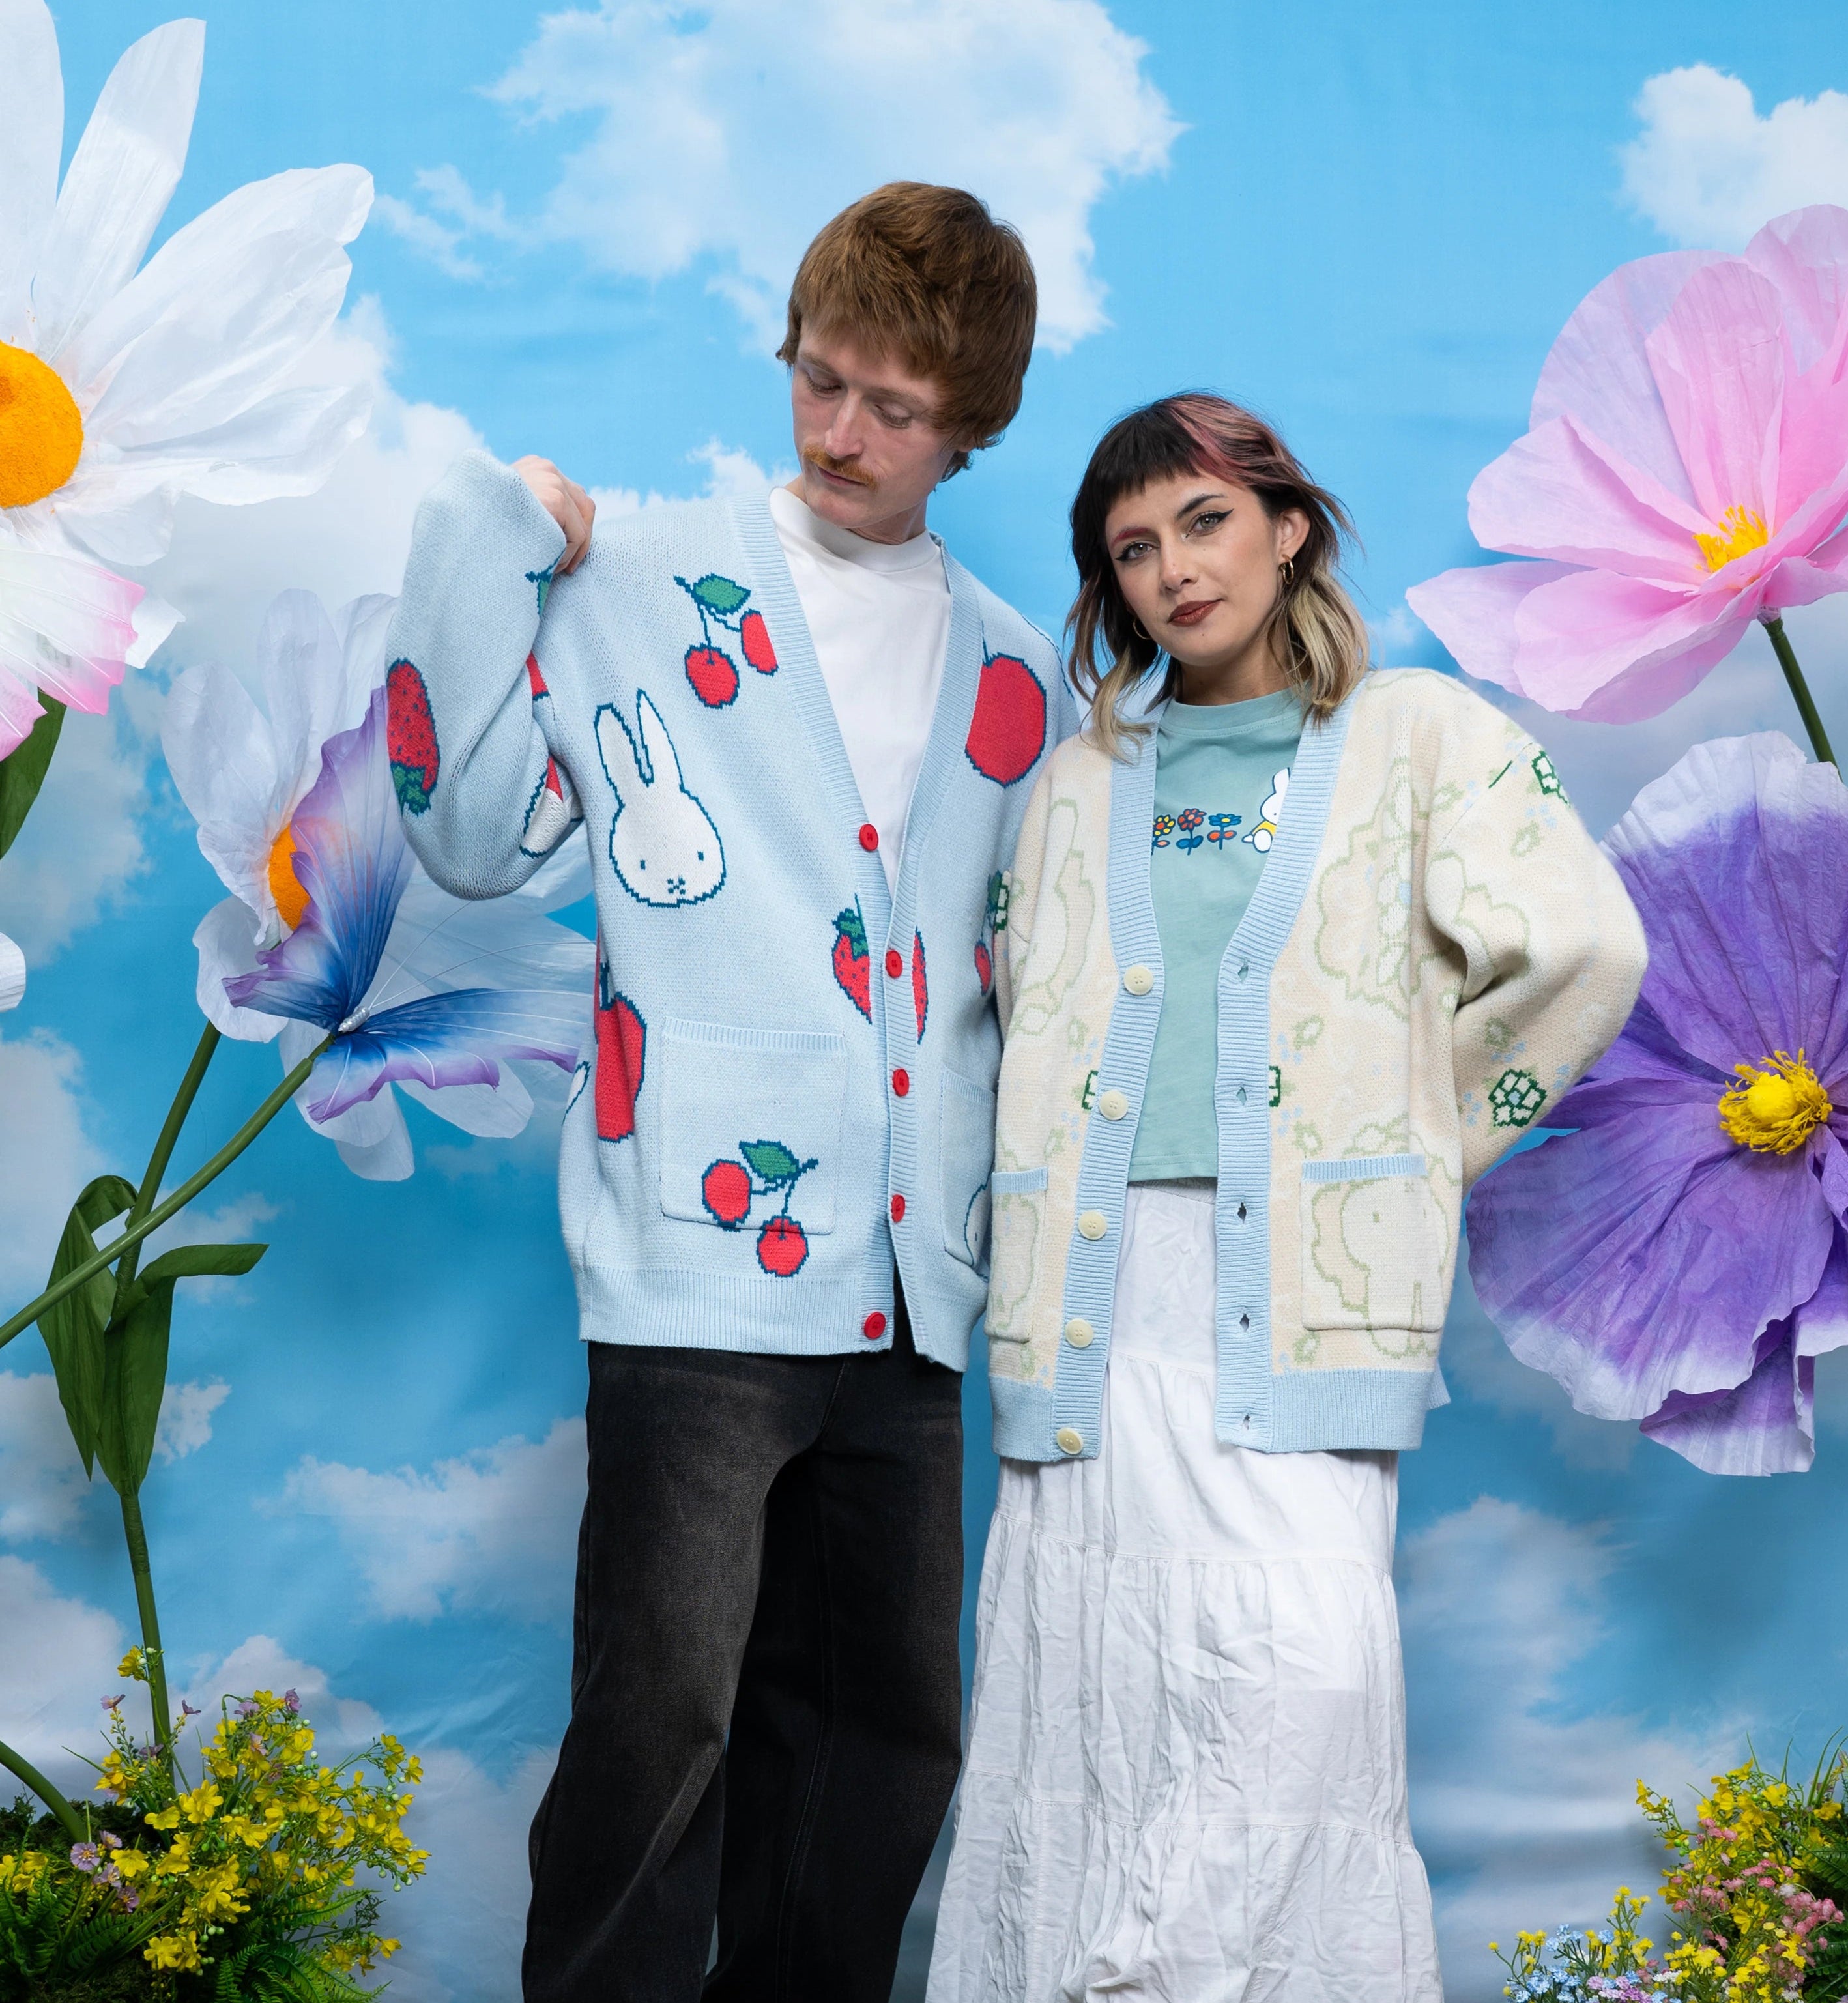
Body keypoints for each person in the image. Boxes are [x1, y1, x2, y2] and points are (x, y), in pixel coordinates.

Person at [386, 182, 1070, 2003]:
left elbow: (1028, 975)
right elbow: (466, 835)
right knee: (659, 1727)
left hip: (914, 1283)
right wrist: (483, 535)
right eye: (818, 380)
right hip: (698, 1258)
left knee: (880, 1737)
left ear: (971, 424)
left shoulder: (1017, 671)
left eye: (893, 409)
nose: (840, 432)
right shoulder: (634, 580)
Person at [928, 393, 1648, 2000]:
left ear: (1286, 526)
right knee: (1096, 1707)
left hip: (1304, 1296)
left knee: (1297, 1682)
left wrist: (1409, 1140)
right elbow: (1018, 1013)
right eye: (1133, 550)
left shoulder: (1419, 736)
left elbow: (1585, 949)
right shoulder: (1076, 781)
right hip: (1093, 1304)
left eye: (1203, 522)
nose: (1174, 570)